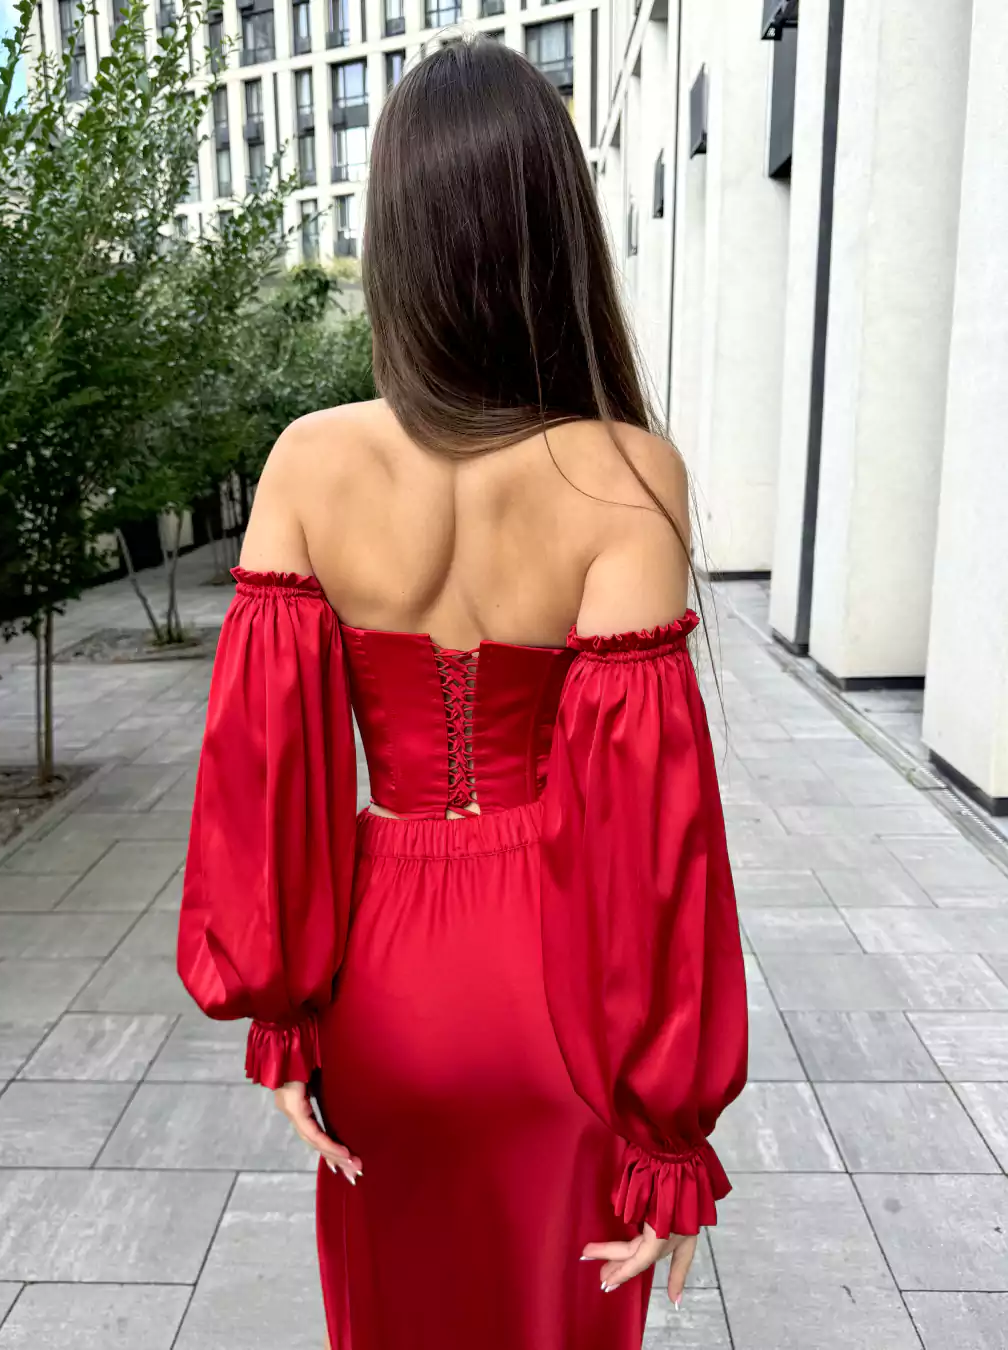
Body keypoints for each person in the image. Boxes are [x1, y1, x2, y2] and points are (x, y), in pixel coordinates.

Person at [177, 35, 747, 1350]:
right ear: (556, 235)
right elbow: (653, 838)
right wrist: (667, 1133)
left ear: (398, 240)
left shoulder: (308, 463)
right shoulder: (630, 476)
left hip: (381, 990)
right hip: (559, 993)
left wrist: (285, 1019)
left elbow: (265, 780)